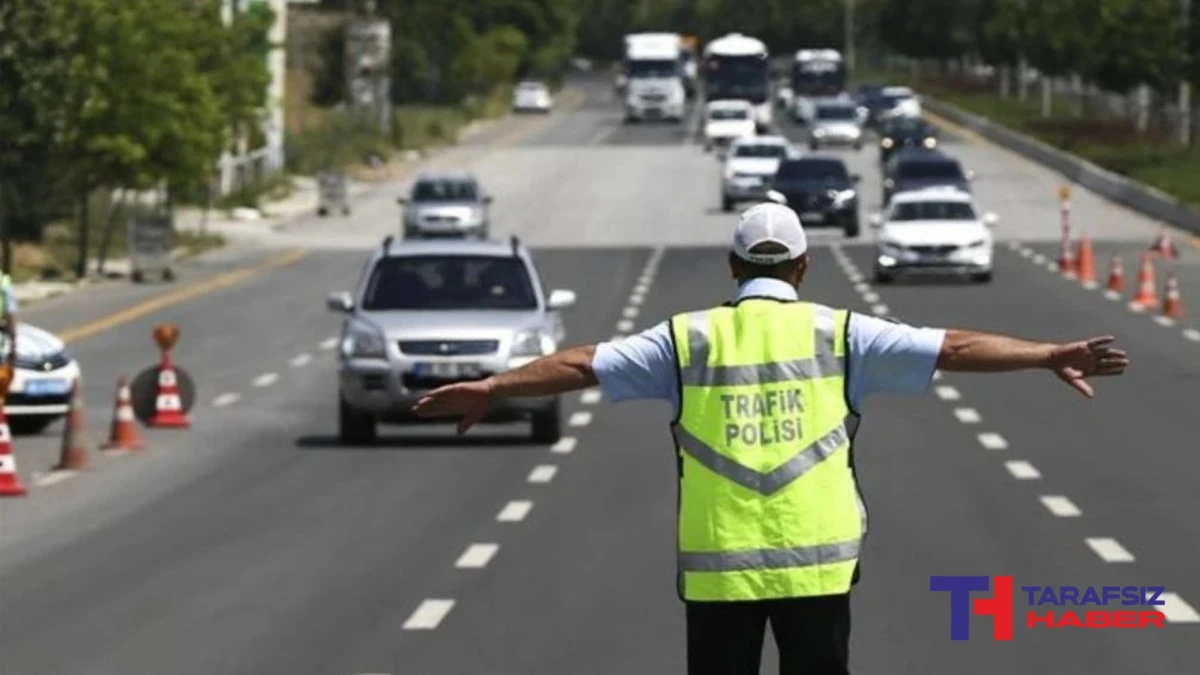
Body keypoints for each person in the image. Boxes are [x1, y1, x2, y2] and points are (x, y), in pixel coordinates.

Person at [411, 202, 1129, 675]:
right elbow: (954, 346)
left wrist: (491, 387)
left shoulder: (686, 339)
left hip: (720, 568)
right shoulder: (842, 332)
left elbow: (579, 363)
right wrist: (1044, 353)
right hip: (818, 567)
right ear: (803, 266)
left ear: (731, 268)